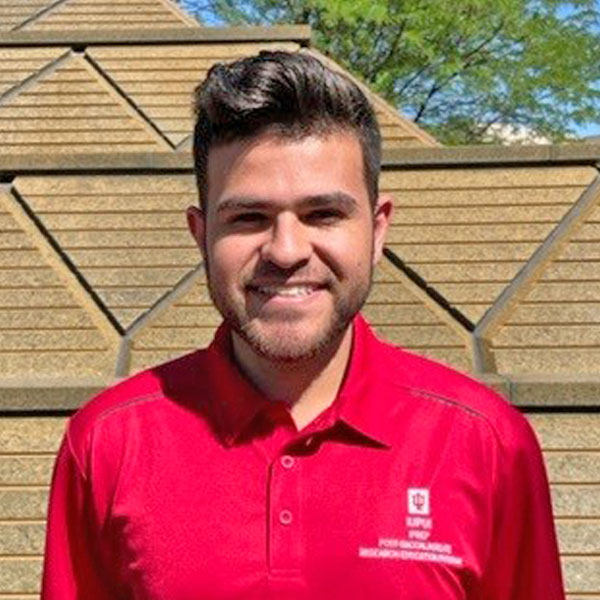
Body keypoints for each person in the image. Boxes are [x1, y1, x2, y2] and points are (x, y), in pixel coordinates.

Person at [41, 51, 565, 599]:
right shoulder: (106, 444)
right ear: (200, 234)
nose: (286, 251)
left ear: (378, 229)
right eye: (249, 218)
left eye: (323, 215)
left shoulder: (488, 444)